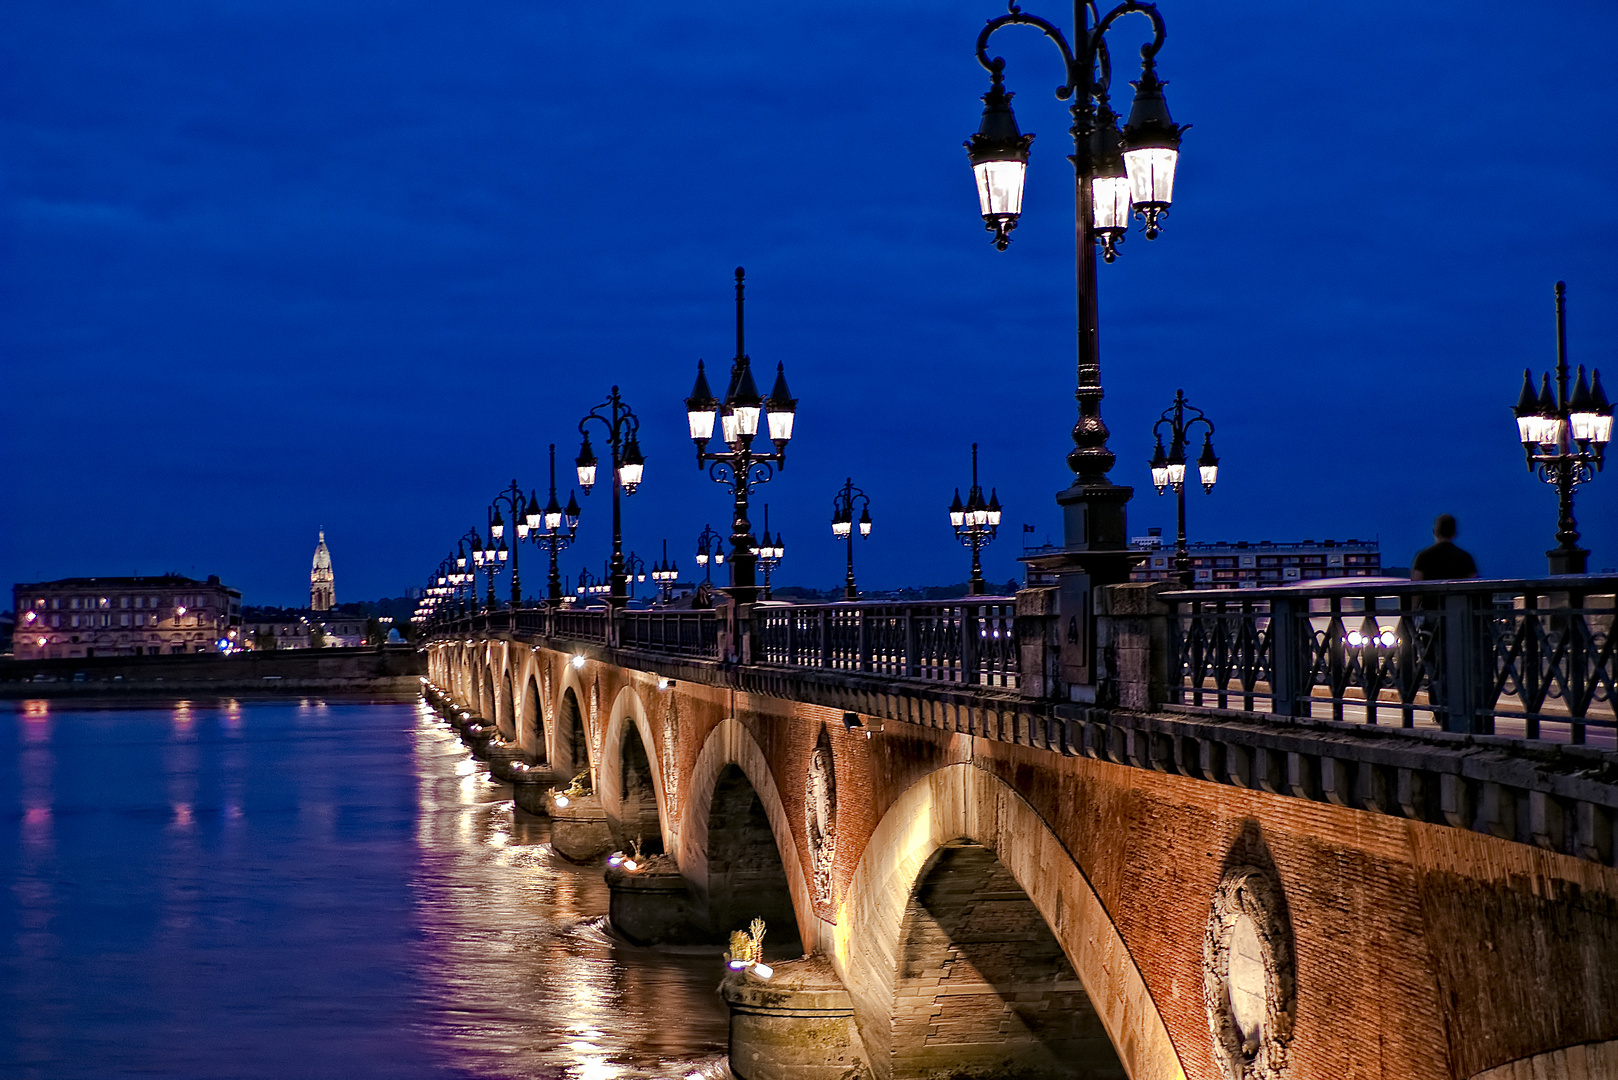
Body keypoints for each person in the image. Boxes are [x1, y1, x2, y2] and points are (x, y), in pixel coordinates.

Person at [1411, 514, 1478, 581]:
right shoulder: (1466, 558)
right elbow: (1473, 583)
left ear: (1435, 532)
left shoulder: (1422, 557)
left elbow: (1416, 584)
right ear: (1454, 533)